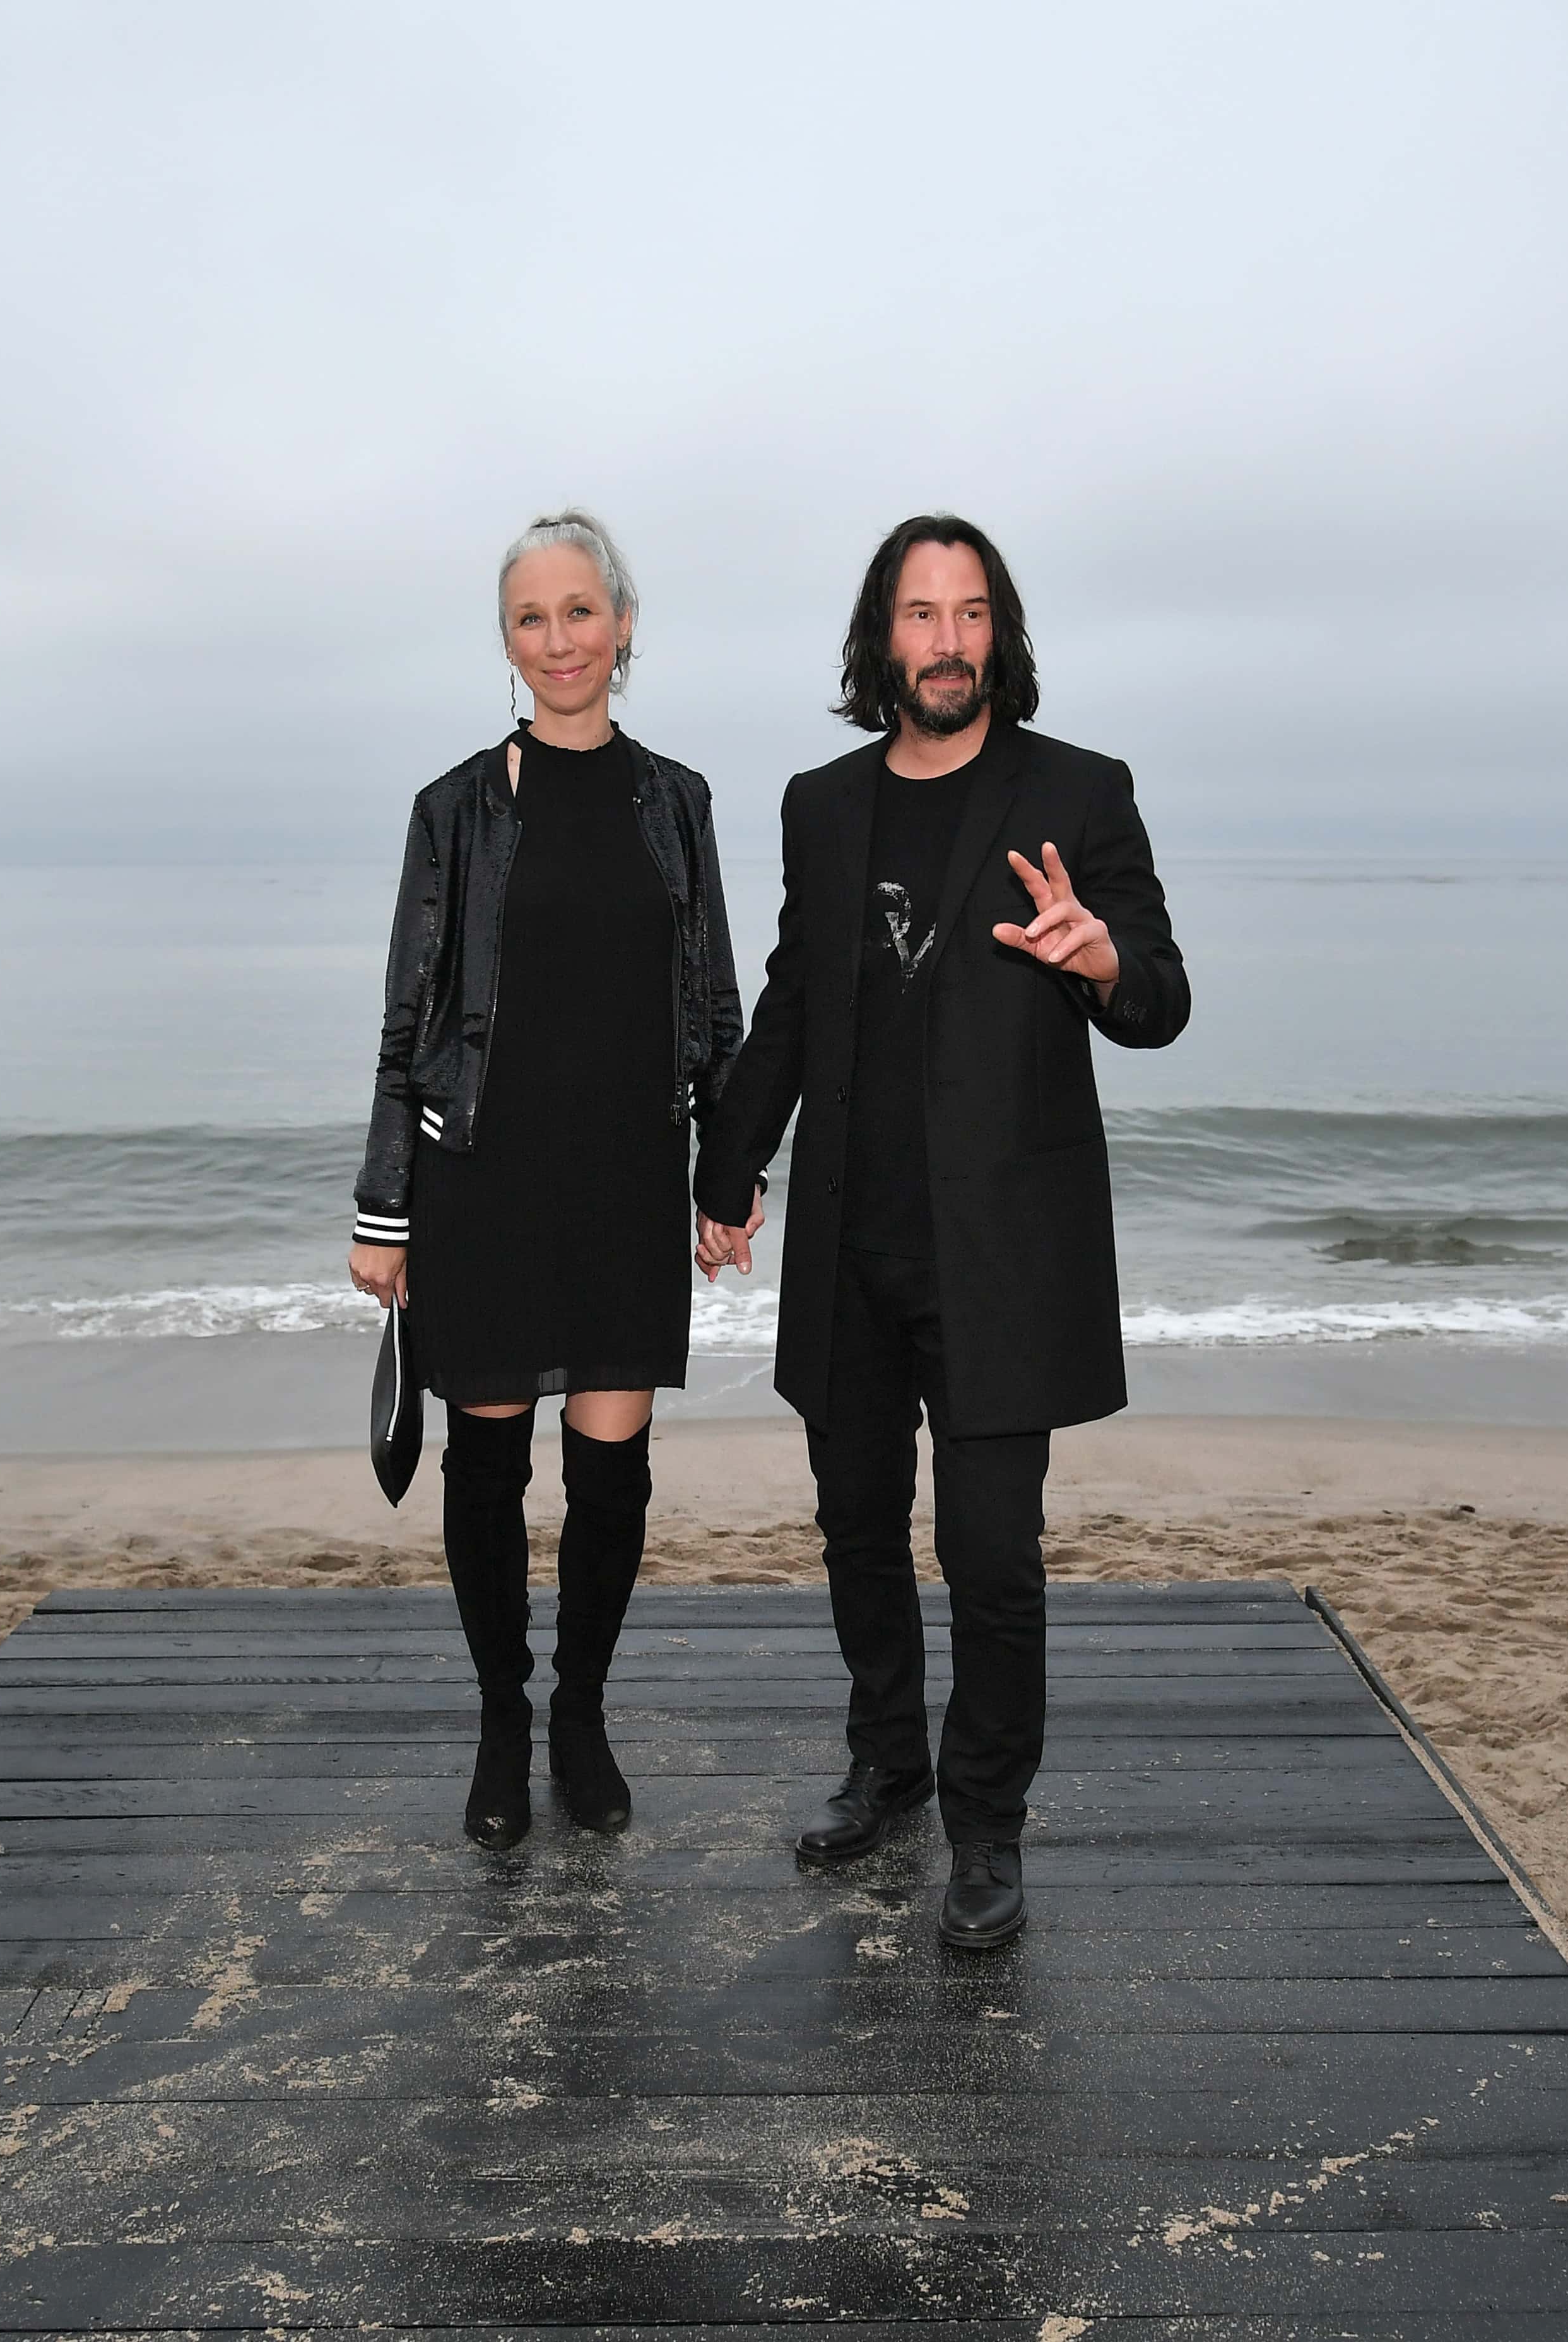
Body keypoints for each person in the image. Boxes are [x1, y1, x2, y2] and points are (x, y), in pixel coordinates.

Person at [692, 514, 1188, 1949]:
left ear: (1001, 635)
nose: (948, 641)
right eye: (921, 615)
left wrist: (1100, 961)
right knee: (857, 1530)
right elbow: (794, 996)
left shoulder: (1078, 792)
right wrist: (728, 1164)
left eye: (972, 614)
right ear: (880, 638)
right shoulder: (822, 803)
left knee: (992, 1556)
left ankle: (988, 1825)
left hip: (1002, 1255)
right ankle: (890, 1764)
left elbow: (1159, 990)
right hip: (852, 1241)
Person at [350, 509, 741, 1852]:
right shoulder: (453, 810)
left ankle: (582, 1712)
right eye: (533, 617)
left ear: (622, 627)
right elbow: (411, 1020)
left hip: (629, 1178)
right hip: (488, 1182)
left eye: (582, 612)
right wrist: (384, 1208)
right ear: (507, 640)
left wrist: (726, 1178)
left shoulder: (676, 800)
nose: (559, 639)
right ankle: (503, 1720)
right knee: (489, 1461)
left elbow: (716, 1010)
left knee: (613, 1471)